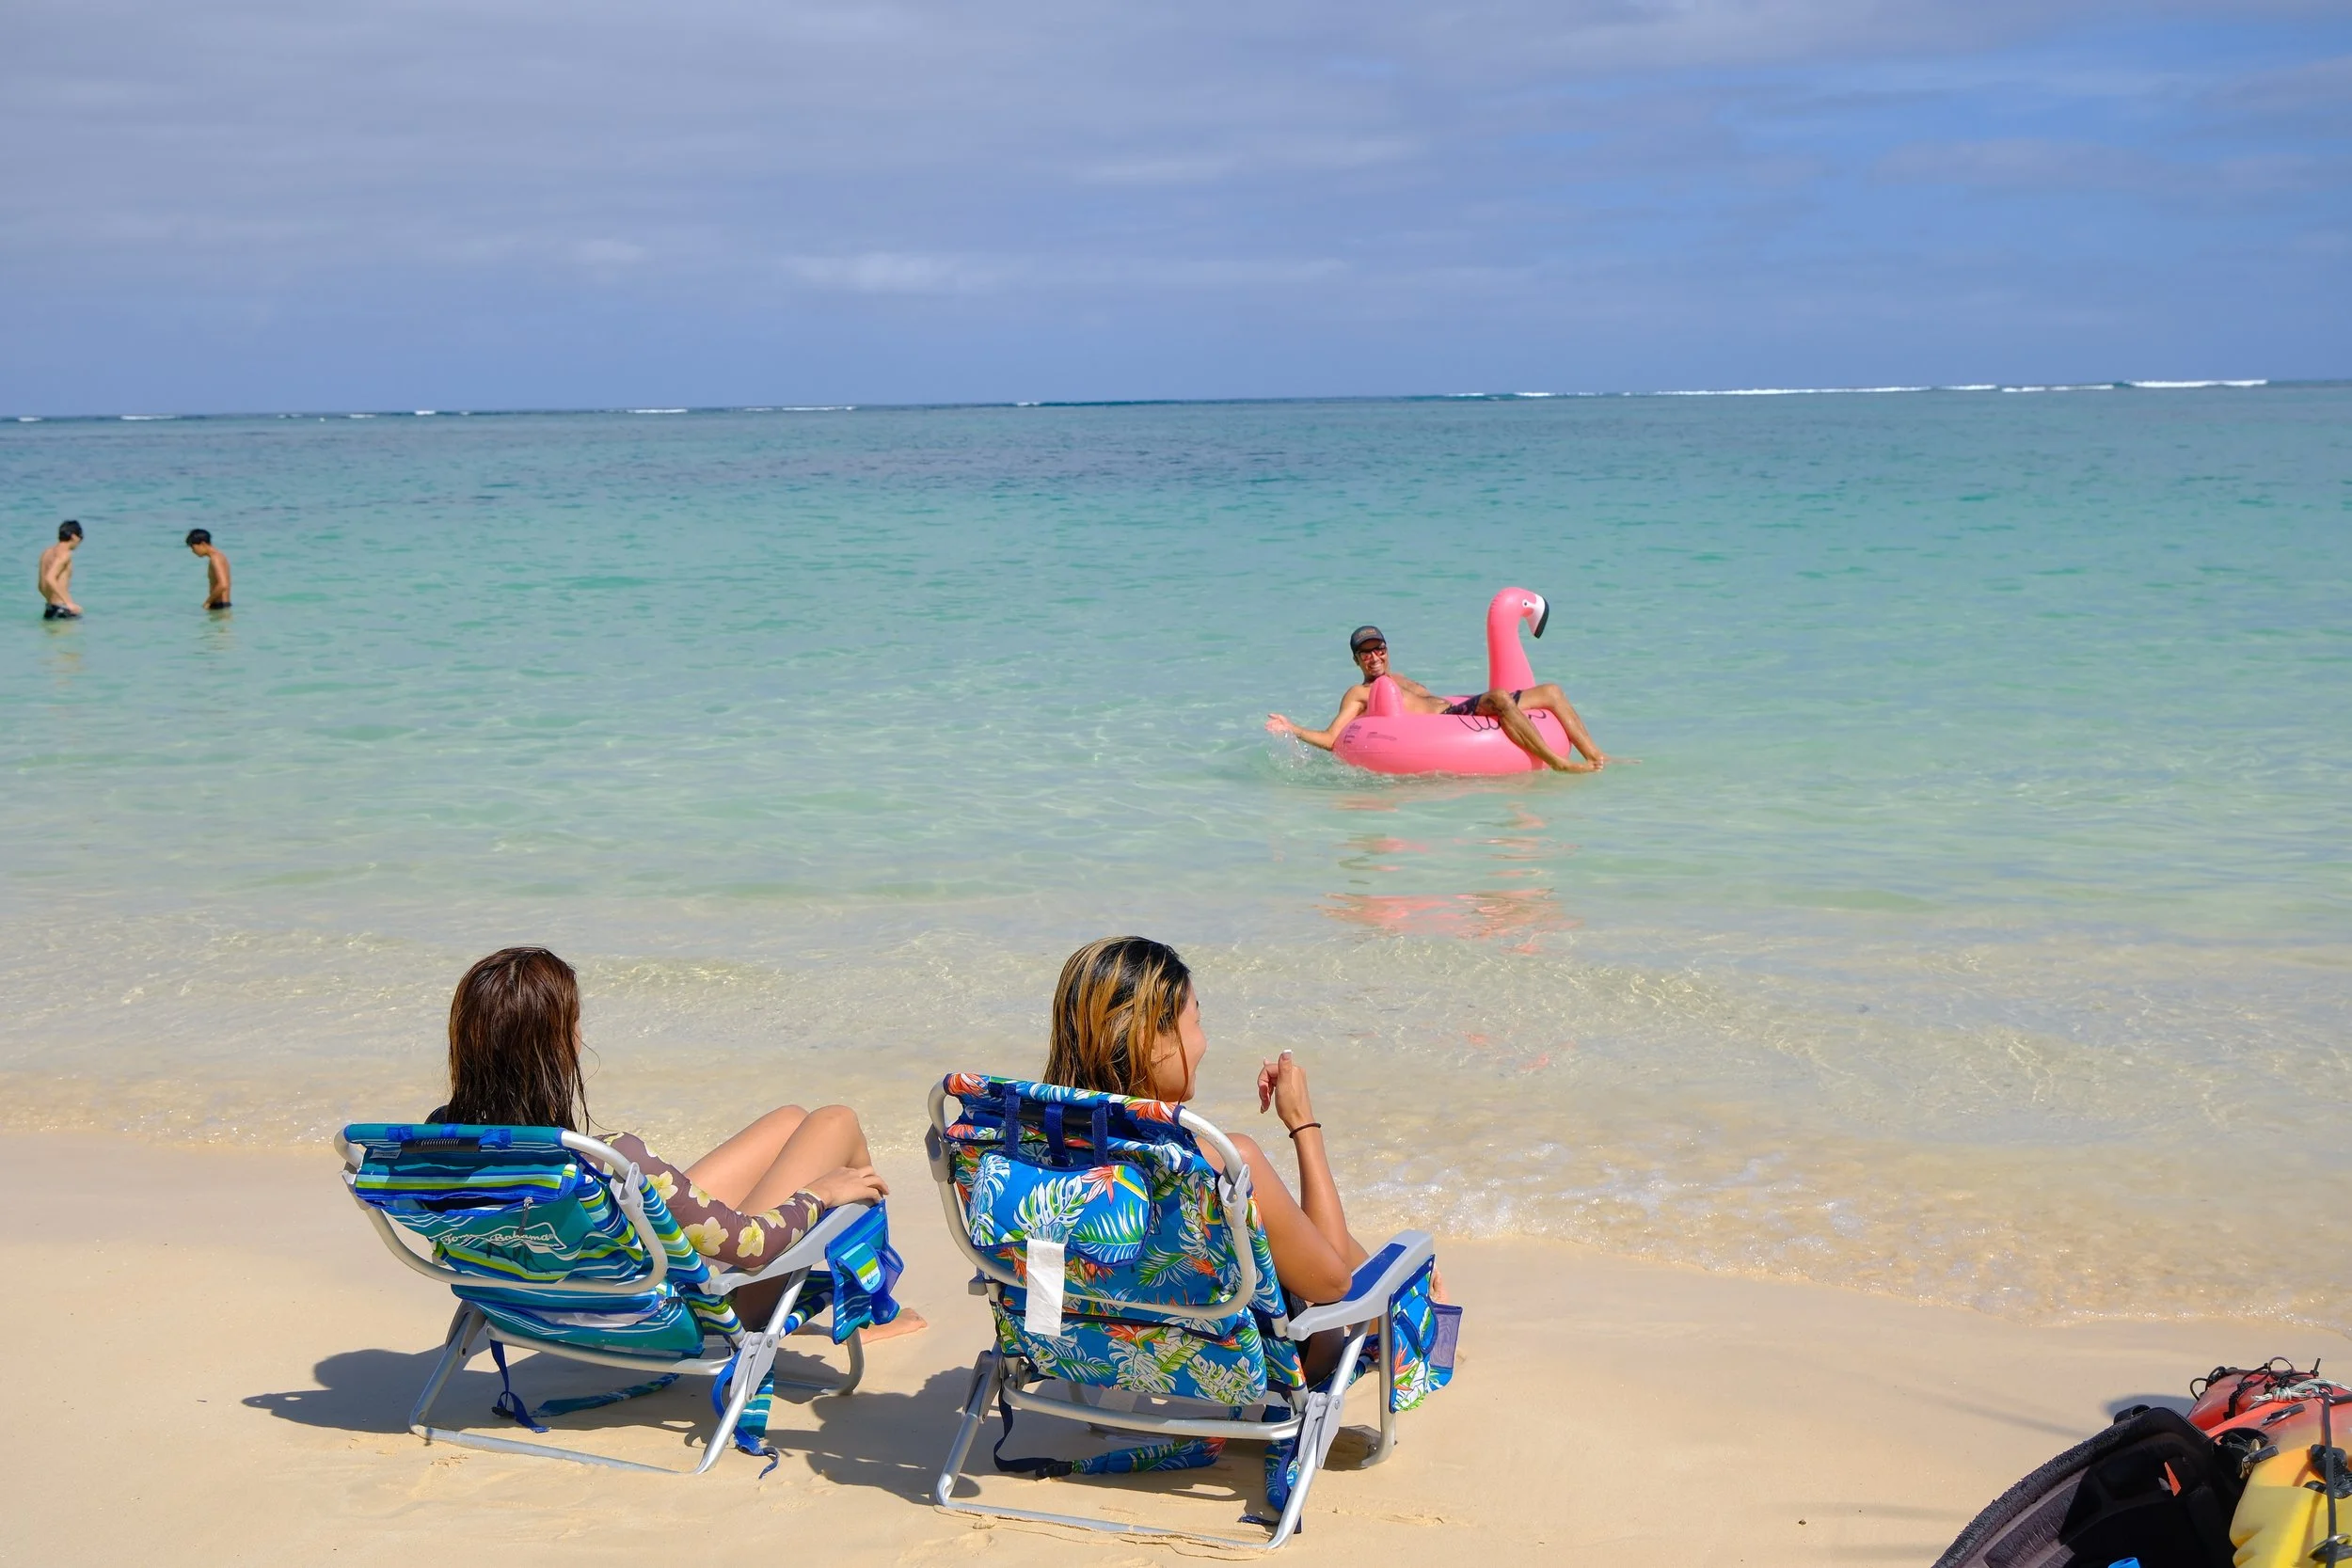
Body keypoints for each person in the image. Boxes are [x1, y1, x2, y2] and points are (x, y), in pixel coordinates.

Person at [425, 946, 924, 1338]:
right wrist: (823, 1193)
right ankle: (877, 1309)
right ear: (556, 1047)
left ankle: (873, 1301)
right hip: (679, 1314)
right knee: (837, 1122)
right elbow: (751, 1247)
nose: (580, 1034)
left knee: (793, 1122)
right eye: (573, 1023)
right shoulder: (605, 1159)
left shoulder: (439, 1151)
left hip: (552, 1301)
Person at [1040, 936, 1410, 1320]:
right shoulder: (1216, 1164)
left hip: (1093, 1347)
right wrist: (1303, 1123)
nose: (1204, 1041)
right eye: (1196, 1022)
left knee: (1292, 1227)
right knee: (1373, 1282)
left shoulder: (1029, 1154)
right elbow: (1335, 1288)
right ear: (1151, 1041)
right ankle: (1417, 1312)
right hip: (1230, 1368)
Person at [1266, 623, 1609, 772]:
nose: (1374, 657)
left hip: (1458, 709)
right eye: (1365, 654)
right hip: (1445, 724)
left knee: (1551, 691)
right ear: (1356, 660)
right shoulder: (1360, 692)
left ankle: (1597, 756)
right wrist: (1292, 727)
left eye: (1378, 649)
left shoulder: (1401, 678)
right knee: (1501, 699)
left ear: (1387, 650)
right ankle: (1559, 762)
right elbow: (1332, 738)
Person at [38, 520, 82, 620]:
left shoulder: (46, 553)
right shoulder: (65, 554)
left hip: (49, 610)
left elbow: (41, 586)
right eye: (81, 538)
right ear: (74, 537)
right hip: (62, 610)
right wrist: (69, 603)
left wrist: (51, 600)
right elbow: (50, 577)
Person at [185, 529, 230, 610]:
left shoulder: (216, 558)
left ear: (203, 544)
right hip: (221, 605)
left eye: (193, 547)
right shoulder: (219, 556)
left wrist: (207, 602)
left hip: (220, 606)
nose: (193, 551)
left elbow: (223, 585)